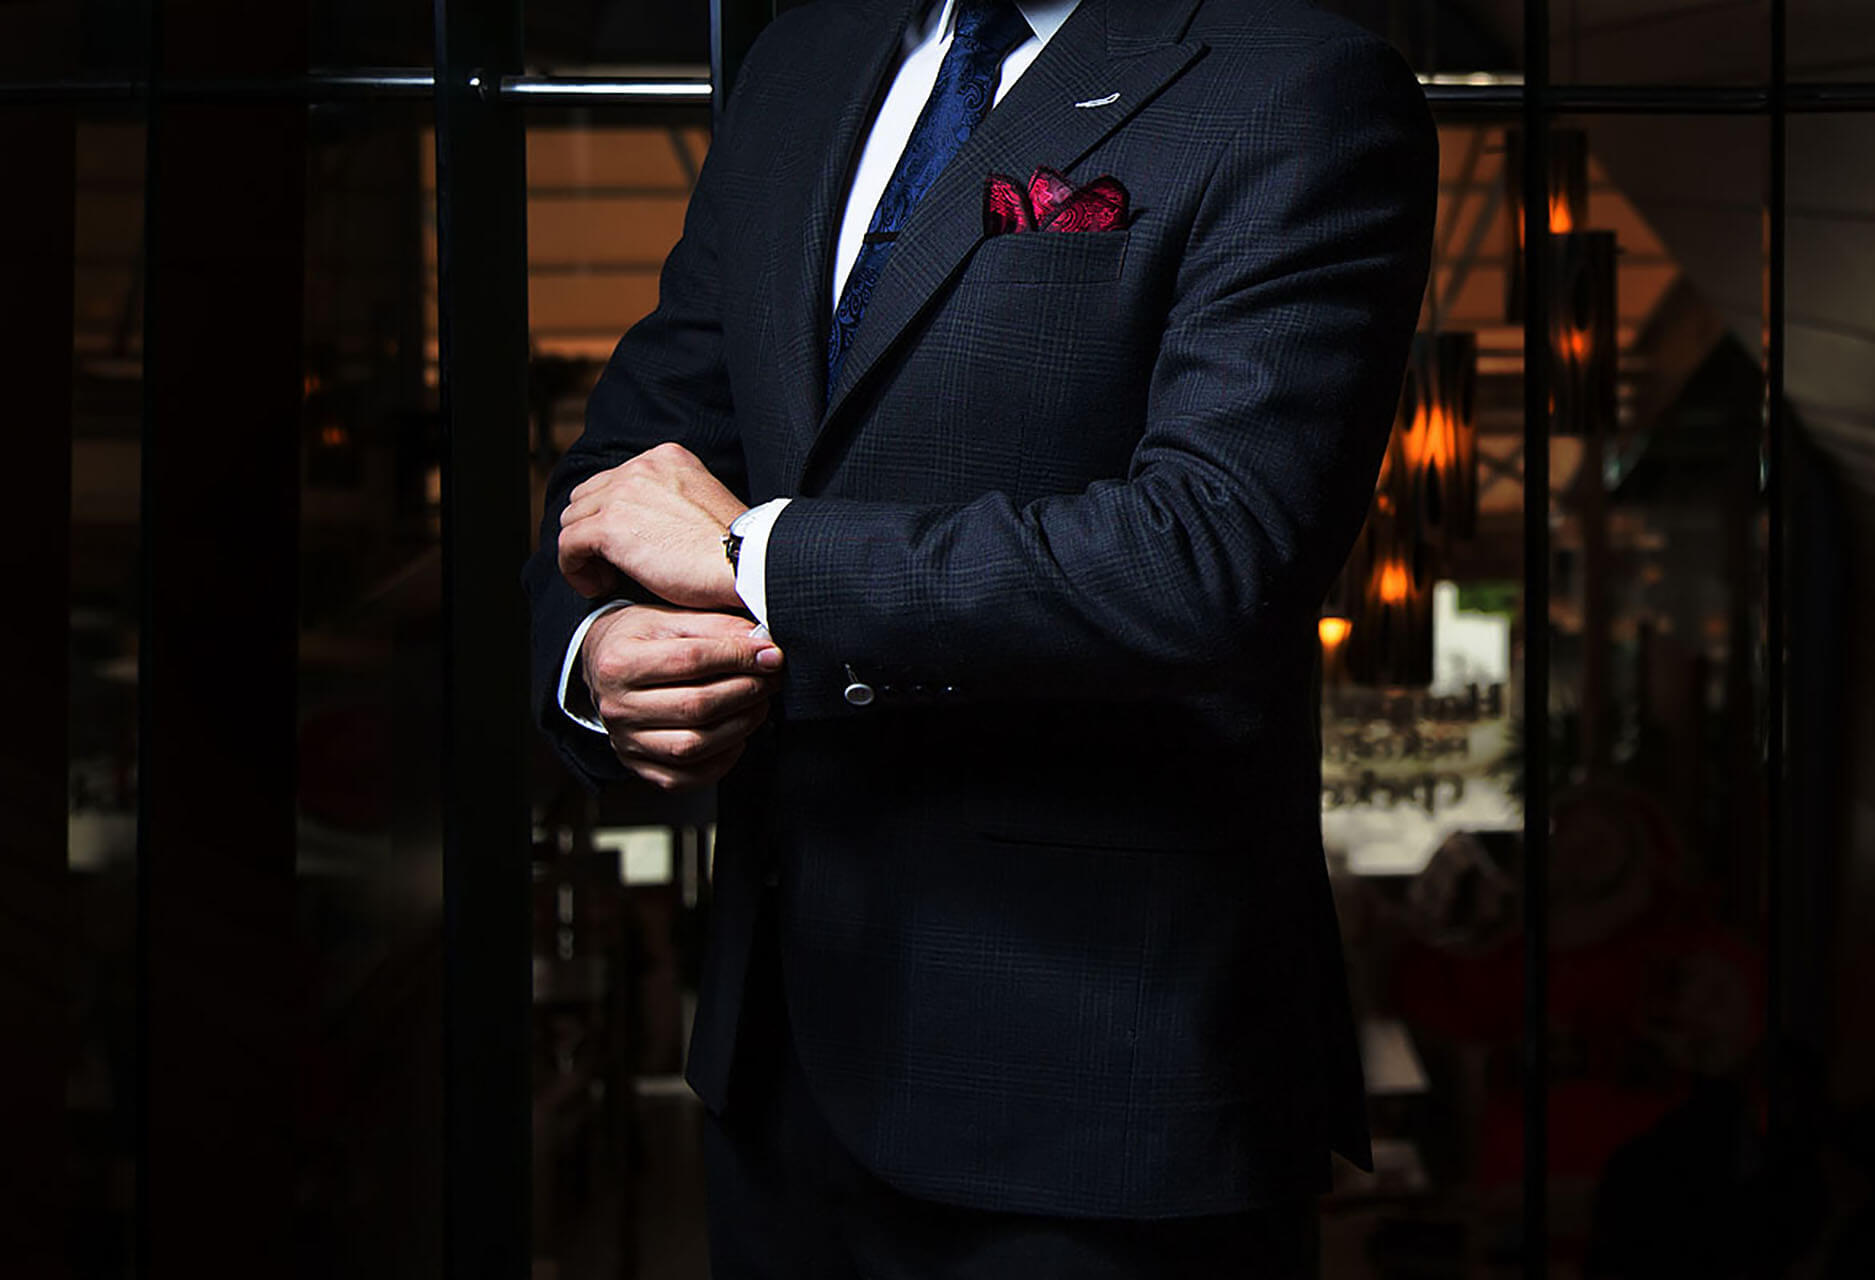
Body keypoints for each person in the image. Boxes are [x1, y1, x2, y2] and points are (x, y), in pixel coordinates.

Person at [520, 0, 1437, 1274]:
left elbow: (1212, 553)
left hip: (1096, 1092)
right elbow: (632, 470)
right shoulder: (804, 58)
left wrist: (759, 560)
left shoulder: (1299, 83)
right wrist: (601, 649)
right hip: (777, 1067)